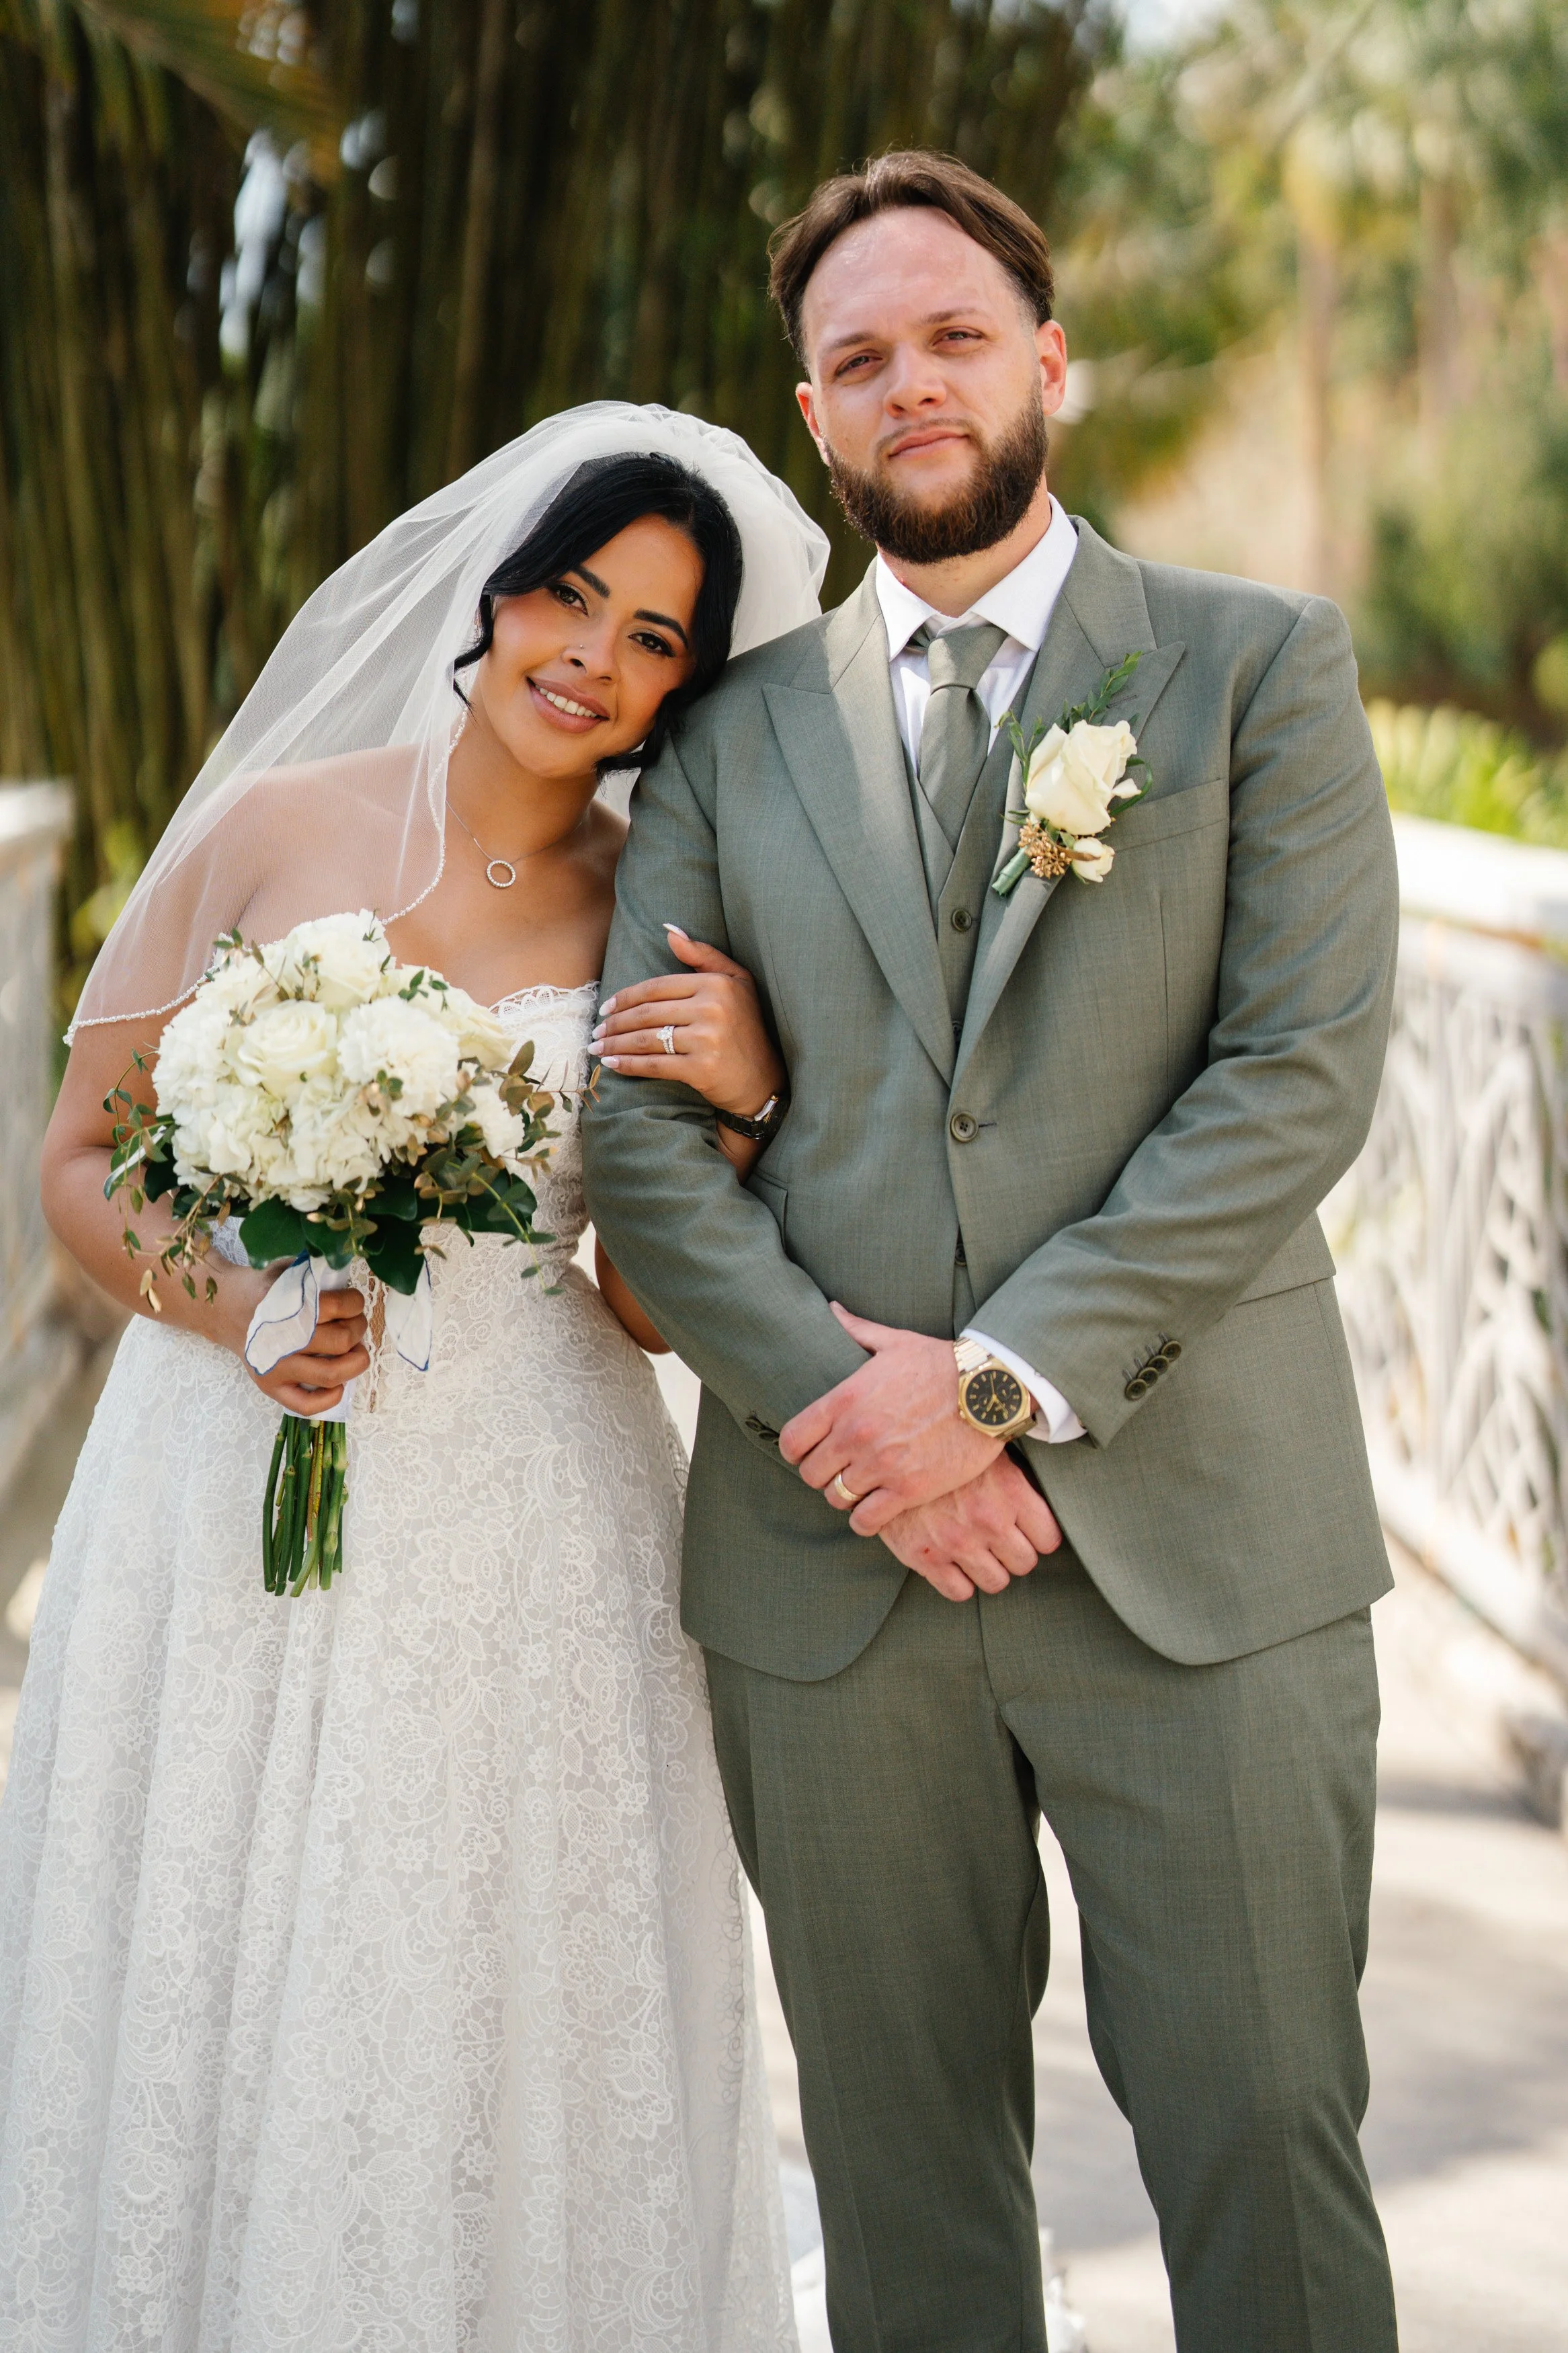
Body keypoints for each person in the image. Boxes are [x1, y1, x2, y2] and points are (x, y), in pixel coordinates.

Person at [584, 153, 1402, 2353]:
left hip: (1202, 1551)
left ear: (1046, 360)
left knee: (1265, 2151)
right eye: (859, 358)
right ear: (813, 417)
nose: (910, 383)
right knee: (903, 2190)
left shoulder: (1251, 670)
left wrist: (991, 1382)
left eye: (953, 335)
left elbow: (1292, 1077)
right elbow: (638, 1141)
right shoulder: (723, 737)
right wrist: (857, 1414)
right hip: (831, 1568)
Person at [0, 409, 823, 2351]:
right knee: (211, 1948)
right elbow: (73, 1161)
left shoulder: (665, 907)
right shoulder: (274, 826)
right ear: (496, 588)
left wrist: (744, 1104)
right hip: (220, 1478)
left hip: (533, 1523)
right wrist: (238, 1307)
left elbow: (635, 1299)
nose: (591, 656)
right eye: (570, 593)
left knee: (471, 1986)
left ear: (684, 689)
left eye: (652, 638)